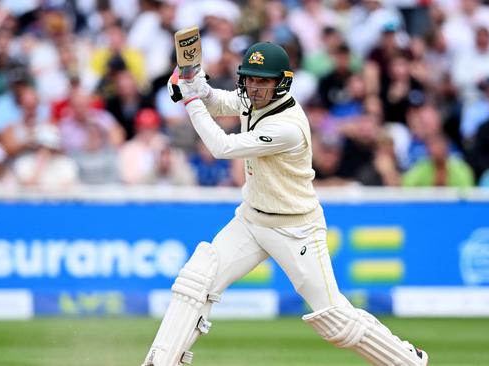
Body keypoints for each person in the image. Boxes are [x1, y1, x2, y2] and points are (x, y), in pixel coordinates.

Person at [141, 42, 428, 366]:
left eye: (264, 81)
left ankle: (407, 361)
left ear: (281, 82)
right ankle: (161, 361)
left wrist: (191, 99)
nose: (255, 87)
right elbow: (222, 102)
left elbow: (222, 146)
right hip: (251, 220)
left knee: (336, 320)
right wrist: (197, 85)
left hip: (296, 229)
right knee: (197, 277)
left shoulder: (287, 126)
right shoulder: (252, 98)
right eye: (250, 79)